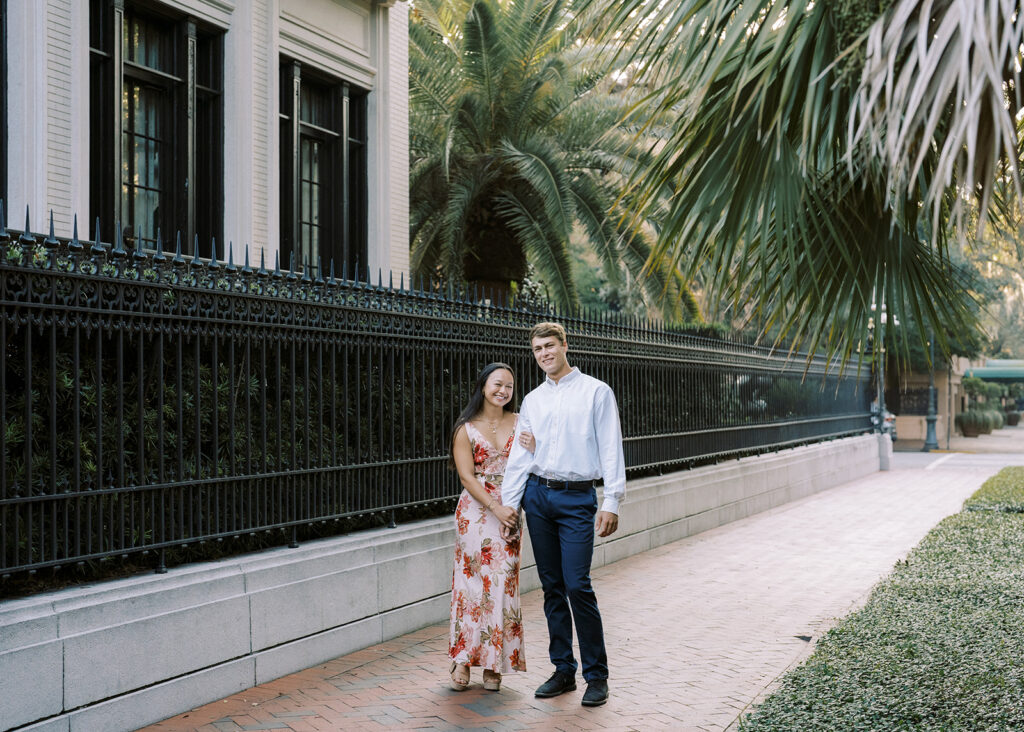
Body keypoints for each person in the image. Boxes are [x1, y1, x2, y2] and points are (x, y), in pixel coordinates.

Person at [499, 321, 625, 708]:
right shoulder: (533, 400)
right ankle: (563, 670)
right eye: (537, 349)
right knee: (551, 586)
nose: (544, 354)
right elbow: (522, 456)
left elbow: (610, 447)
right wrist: (510, 503)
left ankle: (597, 677)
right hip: (538, 497)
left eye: (549, 346)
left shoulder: (596, 392)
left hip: (576, 500)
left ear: (565, 345)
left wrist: (611, 502)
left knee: (577, 585)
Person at [447, 362, 534, 692]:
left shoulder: (522, 422)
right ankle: (463, 660)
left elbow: (534, 459)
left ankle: (494, 663)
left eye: (509, 386)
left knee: (502, 585)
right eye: (497, 384)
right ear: (483, 386)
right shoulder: (465, 428)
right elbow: (467, 477)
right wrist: (494, 506)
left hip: (510, 509)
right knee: (470, 586)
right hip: (477, 512)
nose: (503, 391)